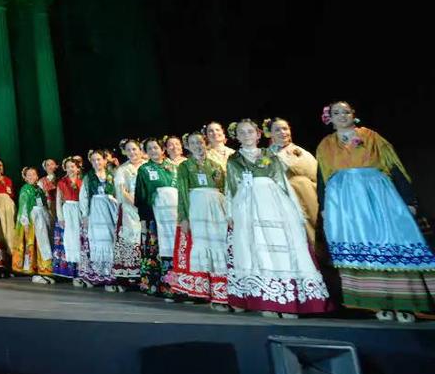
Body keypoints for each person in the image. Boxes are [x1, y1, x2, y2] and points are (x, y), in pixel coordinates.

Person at [316, 100, 435, 322]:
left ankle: (405, 305)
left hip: (378, 198)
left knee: (392, 243)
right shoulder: (326, 144)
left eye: (346, 112)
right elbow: (323, 178)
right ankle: (377, 303)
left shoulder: (372, 137)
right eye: (336, 113)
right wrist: (324, 207)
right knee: (361, 249)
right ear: (329, 118)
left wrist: (410, 200)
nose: (342, 116)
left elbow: (394, 167)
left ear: (354, 114)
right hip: (346, 205)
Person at [226, 120, 332, 317]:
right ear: (237, 137)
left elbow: (283, 182)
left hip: (274, 203)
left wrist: (295, 210)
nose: (247, 135)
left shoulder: (270, 156)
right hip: (248, 205)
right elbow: (230, 188)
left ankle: (290, 300)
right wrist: (230, 214)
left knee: (282, 247)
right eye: (242, 132)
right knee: (257, 249)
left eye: (250, 131)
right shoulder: (234, 160)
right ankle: (267, 299)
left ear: (258, 135)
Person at [169, 130, 228, 309]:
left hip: (216, 209)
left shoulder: (216, 166)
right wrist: (184, 217)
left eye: (200, 142)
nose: (198, 146)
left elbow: (224, 189)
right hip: (196, 208)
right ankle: (198, 290)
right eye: (193, 143)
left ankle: (220, 290)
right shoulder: (185, 166)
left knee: (217, 246)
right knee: (197, 247)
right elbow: (182, 192)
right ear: (187, 146)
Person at [134, 138, 177, 298]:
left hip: (174, 217)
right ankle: (154, 285)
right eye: (149, 149)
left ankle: (177, 287)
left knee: (175, 249)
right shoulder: (144, 169)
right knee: (155, 250)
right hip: (155, 218)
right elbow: (141, 196)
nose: (153, 151)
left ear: (163, 149)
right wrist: (144, 220)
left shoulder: (173, 167)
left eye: (156, 147)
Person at [266, 117, 319, 248]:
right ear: (270, 134)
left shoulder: (299, 152)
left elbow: (314, 174)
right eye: (277, 130)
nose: (283, 132)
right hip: (275, 199)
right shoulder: (264, 155)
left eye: (285, 128)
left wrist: (291, 165)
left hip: (301, 198)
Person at [77, 149, 119, 290]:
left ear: (105, 160)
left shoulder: (112, 174)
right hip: (95, 210)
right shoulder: (88, 177)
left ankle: (111, 272)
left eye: (99, 159)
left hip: (110, 208)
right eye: (94, 160)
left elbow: (118, 191)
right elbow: (83, 196)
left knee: (110, 237)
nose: (96, 162)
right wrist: (85, 215)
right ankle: (100, 273)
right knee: (98, 239)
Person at [112, 139, 145, 286]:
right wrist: (134, 202)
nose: (132, 152)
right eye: (129, 150)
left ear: (140, 150)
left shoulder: (146, 165)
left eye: (135, 149)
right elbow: (121, 190)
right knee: (131, 237)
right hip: (130, 207)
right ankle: (131, 273)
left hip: (147, 205)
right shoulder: (123, 169)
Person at [13, 166, 54, 283]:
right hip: (32, 220)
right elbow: (23, 207)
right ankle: (35, 272)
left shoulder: (39, 189)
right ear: (25, 178)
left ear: (37, 176)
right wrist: (25, 223)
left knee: (43, 244)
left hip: (41, 219)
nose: (31, 177)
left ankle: (44, 270)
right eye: (28, 175)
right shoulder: (25, 189)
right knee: (34, 245)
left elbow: (44, 204)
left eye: (33, 174)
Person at [53, 156, 83, 283]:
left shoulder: (82, 182)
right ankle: (70, 269)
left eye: (73, 166)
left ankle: (81, 268)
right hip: (68, 210)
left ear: (77, 168)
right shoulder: (62, 182)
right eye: (68, 166)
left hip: (79, 210)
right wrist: (60, 217)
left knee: (79, 237)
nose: (70, 169)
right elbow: (58, 200)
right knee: (70, 238)